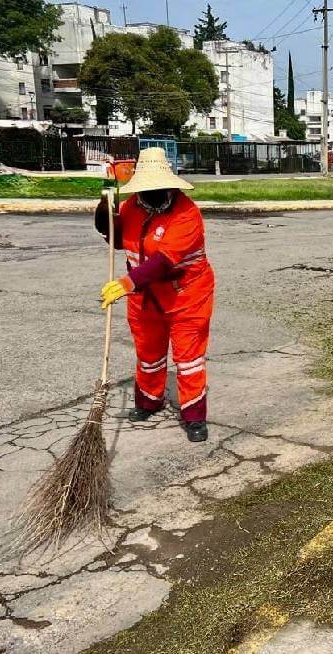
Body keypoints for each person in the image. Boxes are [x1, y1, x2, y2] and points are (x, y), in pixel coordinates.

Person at [95, 147, 216, 443]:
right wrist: (105, 206)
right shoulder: (133, 207)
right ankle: (149, 400)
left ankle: (194, 415)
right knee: (148, 354)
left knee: (188, 359)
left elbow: (163, 261)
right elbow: (113, 234)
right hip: (145, 297)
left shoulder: (187, 214)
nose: (151, 196)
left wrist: (125, 284)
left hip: (187, 296)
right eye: (145, 190)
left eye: (157, 189)